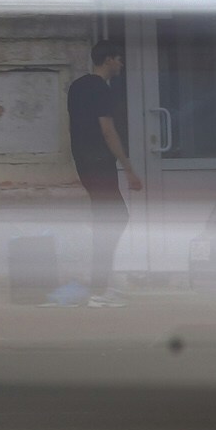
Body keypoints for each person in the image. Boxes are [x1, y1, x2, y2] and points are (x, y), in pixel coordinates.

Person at [65, 39, 140, 301]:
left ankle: (100, 282)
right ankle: (100, 286)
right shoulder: (101, 89)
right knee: (114, 218)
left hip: (84, 162)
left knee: (106, 218)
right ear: (108, 60)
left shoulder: (77, 87)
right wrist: (128, 169)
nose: (121, 64)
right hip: (99, 162)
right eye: (118, 59)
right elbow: (108, 131)